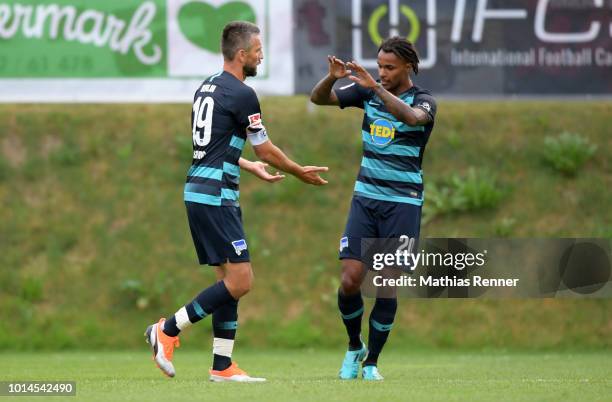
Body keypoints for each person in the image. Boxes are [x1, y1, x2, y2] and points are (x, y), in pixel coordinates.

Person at [145, 21, 328, 383]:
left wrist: (246, 165)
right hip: (216, 196)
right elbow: (266, 147)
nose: (261, 56)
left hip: (201, 190)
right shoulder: (242, 94)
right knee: (241, 281)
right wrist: (296, 170)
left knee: (227, 280)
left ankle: (222, 366)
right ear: (242, 54)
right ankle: (167, 329)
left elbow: (210, 145)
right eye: (258, 51)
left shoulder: (206, 87)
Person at [310, 36, 437, 381]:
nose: (382, 73)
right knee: (351, 280)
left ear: (408, 67)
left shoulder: (424, 101)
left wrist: (375, 89)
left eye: (389, 68)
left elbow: (411, 118)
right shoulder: (367, 93)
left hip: (403, 205)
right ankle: (355, 347)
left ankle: (372, 364)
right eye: (379, 66)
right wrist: (333, 77)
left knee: (386, 284)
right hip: (365, 200)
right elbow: (319, 98)